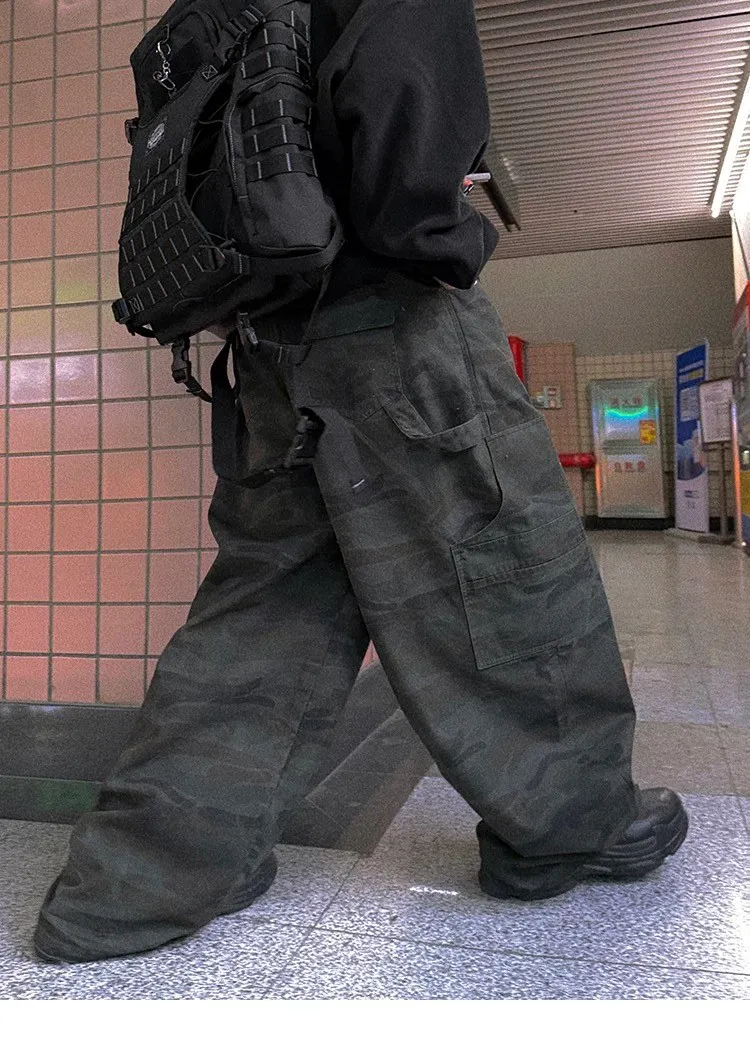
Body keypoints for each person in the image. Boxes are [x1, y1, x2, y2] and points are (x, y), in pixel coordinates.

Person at [33, 0, 687, 964]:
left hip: (267, 344)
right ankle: (571, 823)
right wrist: (456, 245)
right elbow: (405, 164)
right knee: (505, 570)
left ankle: (135, 881)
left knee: (267, 612)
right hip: (393, 327)